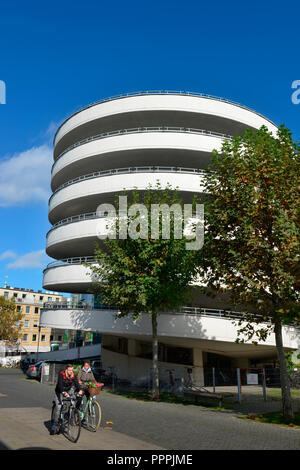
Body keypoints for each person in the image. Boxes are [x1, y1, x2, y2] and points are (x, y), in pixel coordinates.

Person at [50, 364, 83, 435]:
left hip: (68, 390)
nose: (71, 371)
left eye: (72, 370)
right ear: (66, 370)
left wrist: (80, 389)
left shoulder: (73, 374)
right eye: (69, 370)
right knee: (58, 407)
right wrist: (63, 392)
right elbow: (59, 384)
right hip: (59, 391)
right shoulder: (61, 374)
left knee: (73, 400)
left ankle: (69, 416)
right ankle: (55, 424)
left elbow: (76, 383)